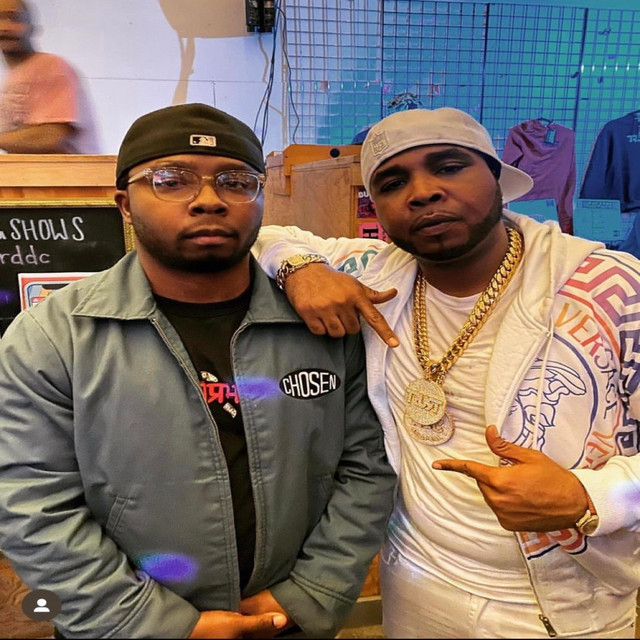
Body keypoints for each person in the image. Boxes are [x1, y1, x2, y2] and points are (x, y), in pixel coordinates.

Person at [0, 102, 395, 639]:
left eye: (236, 181)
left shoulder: (322, 327)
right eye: (171, 180)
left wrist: (310, 593)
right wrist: (154, 624)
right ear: (124, 204)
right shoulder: (55, 337)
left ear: (261, 199)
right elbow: (31, 505)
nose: (209, 199)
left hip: (285, 620)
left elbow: (367, 466)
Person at [253, 107, 640, 638]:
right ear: (376, 207)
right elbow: (266, 234)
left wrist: (592, 496)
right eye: (393, 182)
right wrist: (301, 268)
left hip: (562, 601)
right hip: (415, 581)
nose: (423, 192)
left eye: (449, 167)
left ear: (497, 179)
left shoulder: (607, 289)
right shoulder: (377, 273)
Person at [0, 0, 100, 153]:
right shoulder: (11, 76)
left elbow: (51, 136)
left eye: (14, 18)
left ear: (33, 28)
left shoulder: (51, 67)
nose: (4, 27)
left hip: (66, 168)